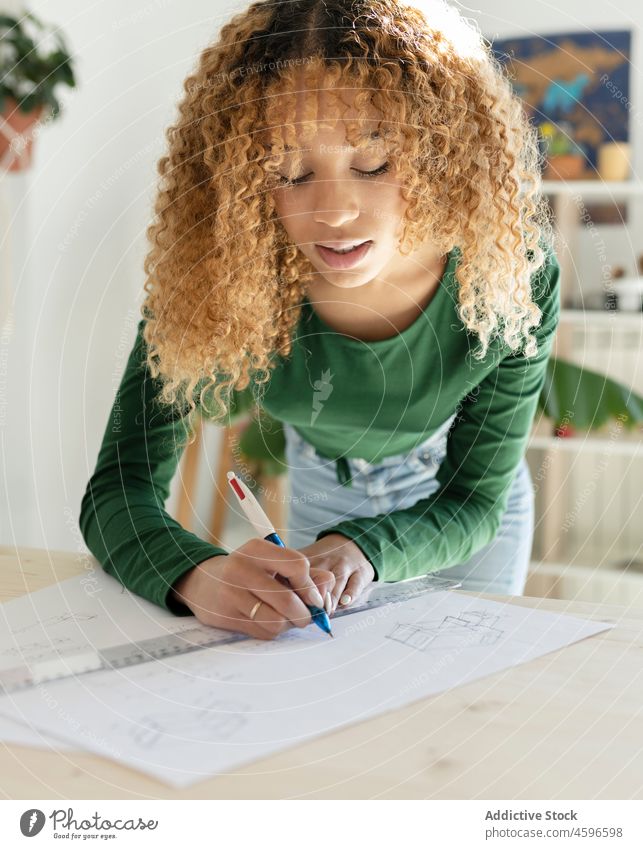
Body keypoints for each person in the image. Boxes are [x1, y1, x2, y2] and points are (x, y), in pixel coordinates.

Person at [79, 0, 560, 642]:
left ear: (443, 153)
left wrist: (365, 549)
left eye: (374, 164)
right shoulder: (212, 276)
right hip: (323, 487)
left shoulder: (510, 275)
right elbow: (120, 487)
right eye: (292, 172)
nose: (334, 209)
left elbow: (472, 502)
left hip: (464, 517)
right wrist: (195, 573)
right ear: (245, 179)